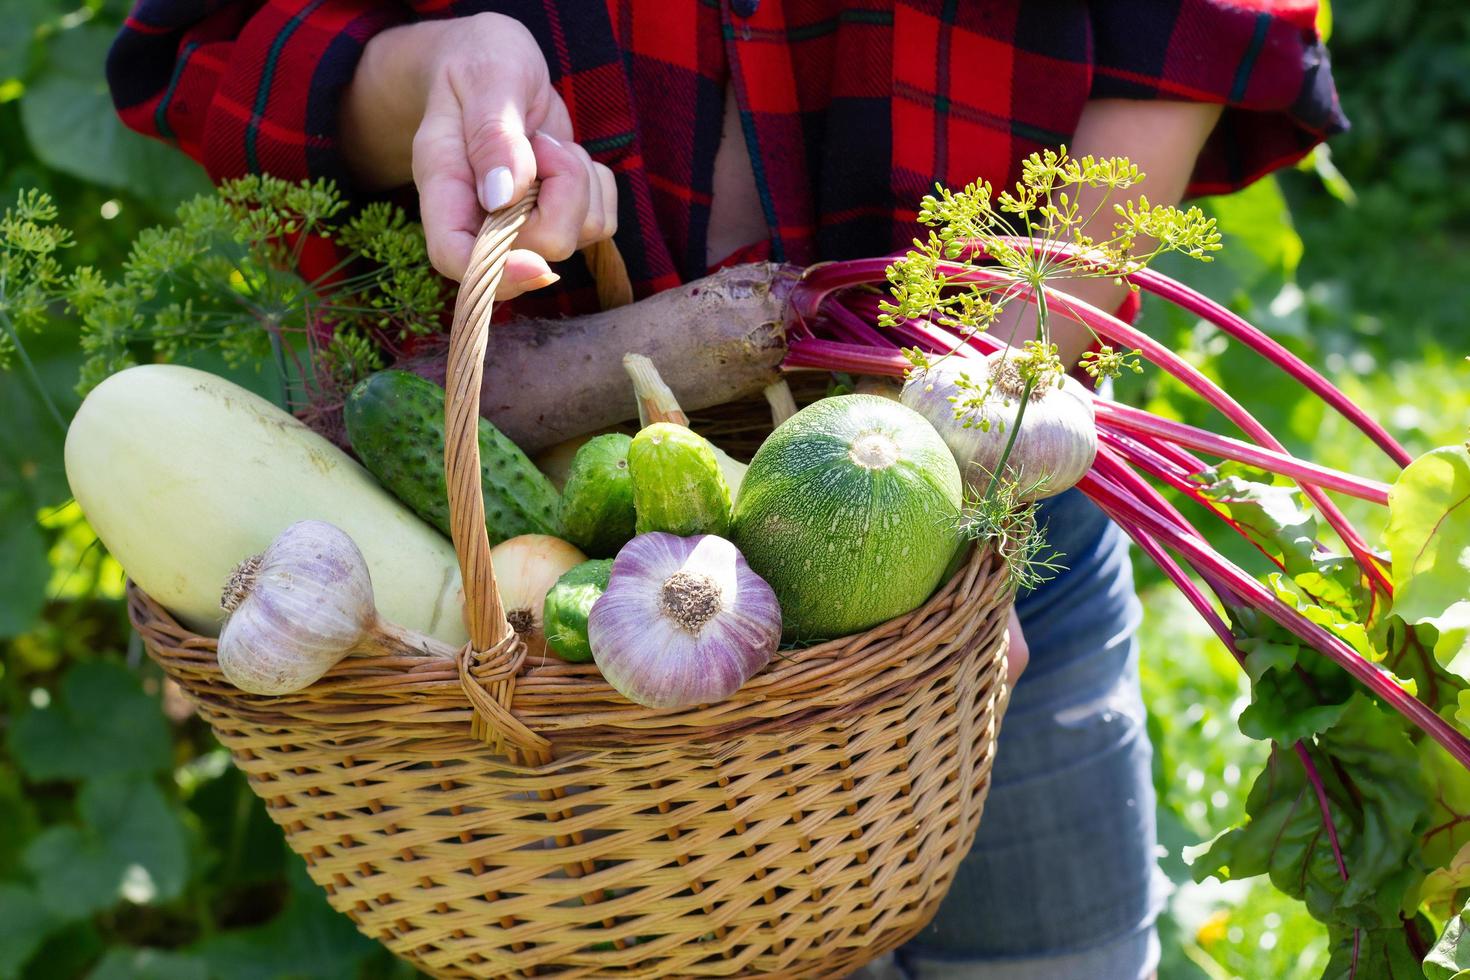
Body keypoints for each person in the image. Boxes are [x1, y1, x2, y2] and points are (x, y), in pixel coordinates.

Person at [108, 2, 1345, 976]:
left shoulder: (980, 478)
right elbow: (215, 46)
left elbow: (1192, 32)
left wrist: (973, 459)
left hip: (999, 514)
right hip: (566, 675)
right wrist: (445, 71)